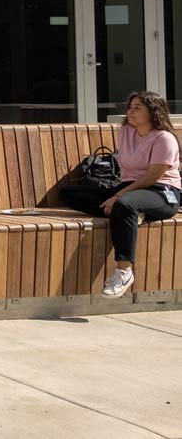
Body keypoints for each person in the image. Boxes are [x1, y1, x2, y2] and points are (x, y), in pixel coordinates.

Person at [61, 90, 182, 298]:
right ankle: (135, 215)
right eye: (130, 107)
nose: (130, 112)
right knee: (69, 193)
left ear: (153, 112)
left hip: (161, 191)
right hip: (129, 189)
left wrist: (118, 197)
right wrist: (119, 194)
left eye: (137, 108)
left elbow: (152, 177)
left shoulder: (164, 139)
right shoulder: (127, 131)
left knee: (124, 205)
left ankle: (124, 271)